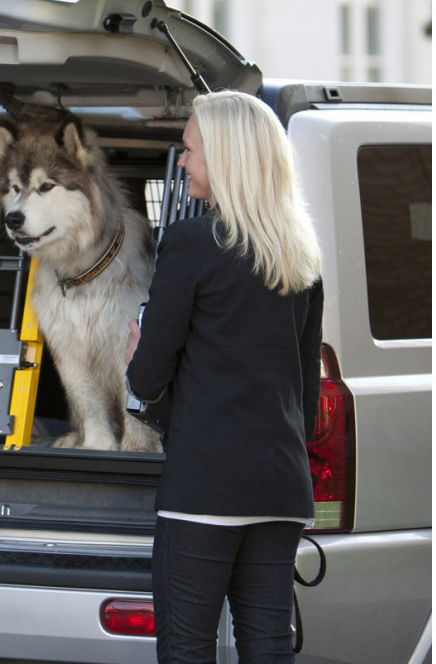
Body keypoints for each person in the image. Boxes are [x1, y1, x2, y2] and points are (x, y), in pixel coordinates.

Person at [124, 90, 324, 663]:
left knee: (187, 649)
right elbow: (304, 393)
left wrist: (140, 349)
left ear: (226, 156)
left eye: (188, 150)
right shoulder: (302, 255)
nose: (182, 161)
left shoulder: (190, 244)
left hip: (204, 492)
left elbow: (146, 378)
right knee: (268, 645)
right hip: (281, 487)